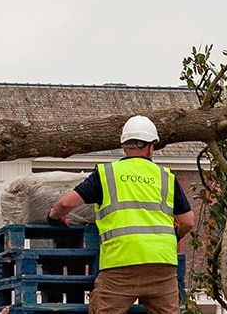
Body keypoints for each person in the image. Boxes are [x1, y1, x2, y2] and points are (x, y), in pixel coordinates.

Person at [46, 115, 196, 314]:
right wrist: (176, 235)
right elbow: (188, 221)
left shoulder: (107, 174)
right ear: (151, 147)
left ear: (124, 146)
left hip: (120, 264)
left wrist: (53, 216)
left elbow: (65, 203)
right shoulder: (166, 177)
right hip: (162, 265)